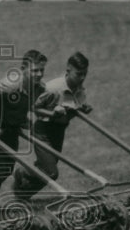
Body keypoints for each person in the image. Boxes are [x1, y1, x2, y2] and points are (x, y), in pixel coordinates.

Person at [12, 51, 92, 200]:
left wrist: (82, 109)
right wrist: (52, 113)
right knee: (51, 172)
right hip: (43, 131)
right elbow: (34, 107)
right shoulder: (53, 88)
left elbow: (72, 111)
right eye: (79, 74)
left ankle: (22, 193)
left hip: (59, 131)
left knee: (46, 168)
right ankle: (23, 178)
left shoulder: (80, 90)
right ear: (68, 71)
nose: (82, 78)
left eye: (84, 74)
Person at [0, 50, 47, 207]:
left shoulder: (39, 88)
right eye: (35, 70)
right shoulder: (10, 83)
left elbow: (23, 106)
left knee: (6, 169)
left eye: (42, 70)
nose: (39, 74)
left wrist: (23, 120)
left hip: (10, 128)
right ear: (23, 68)